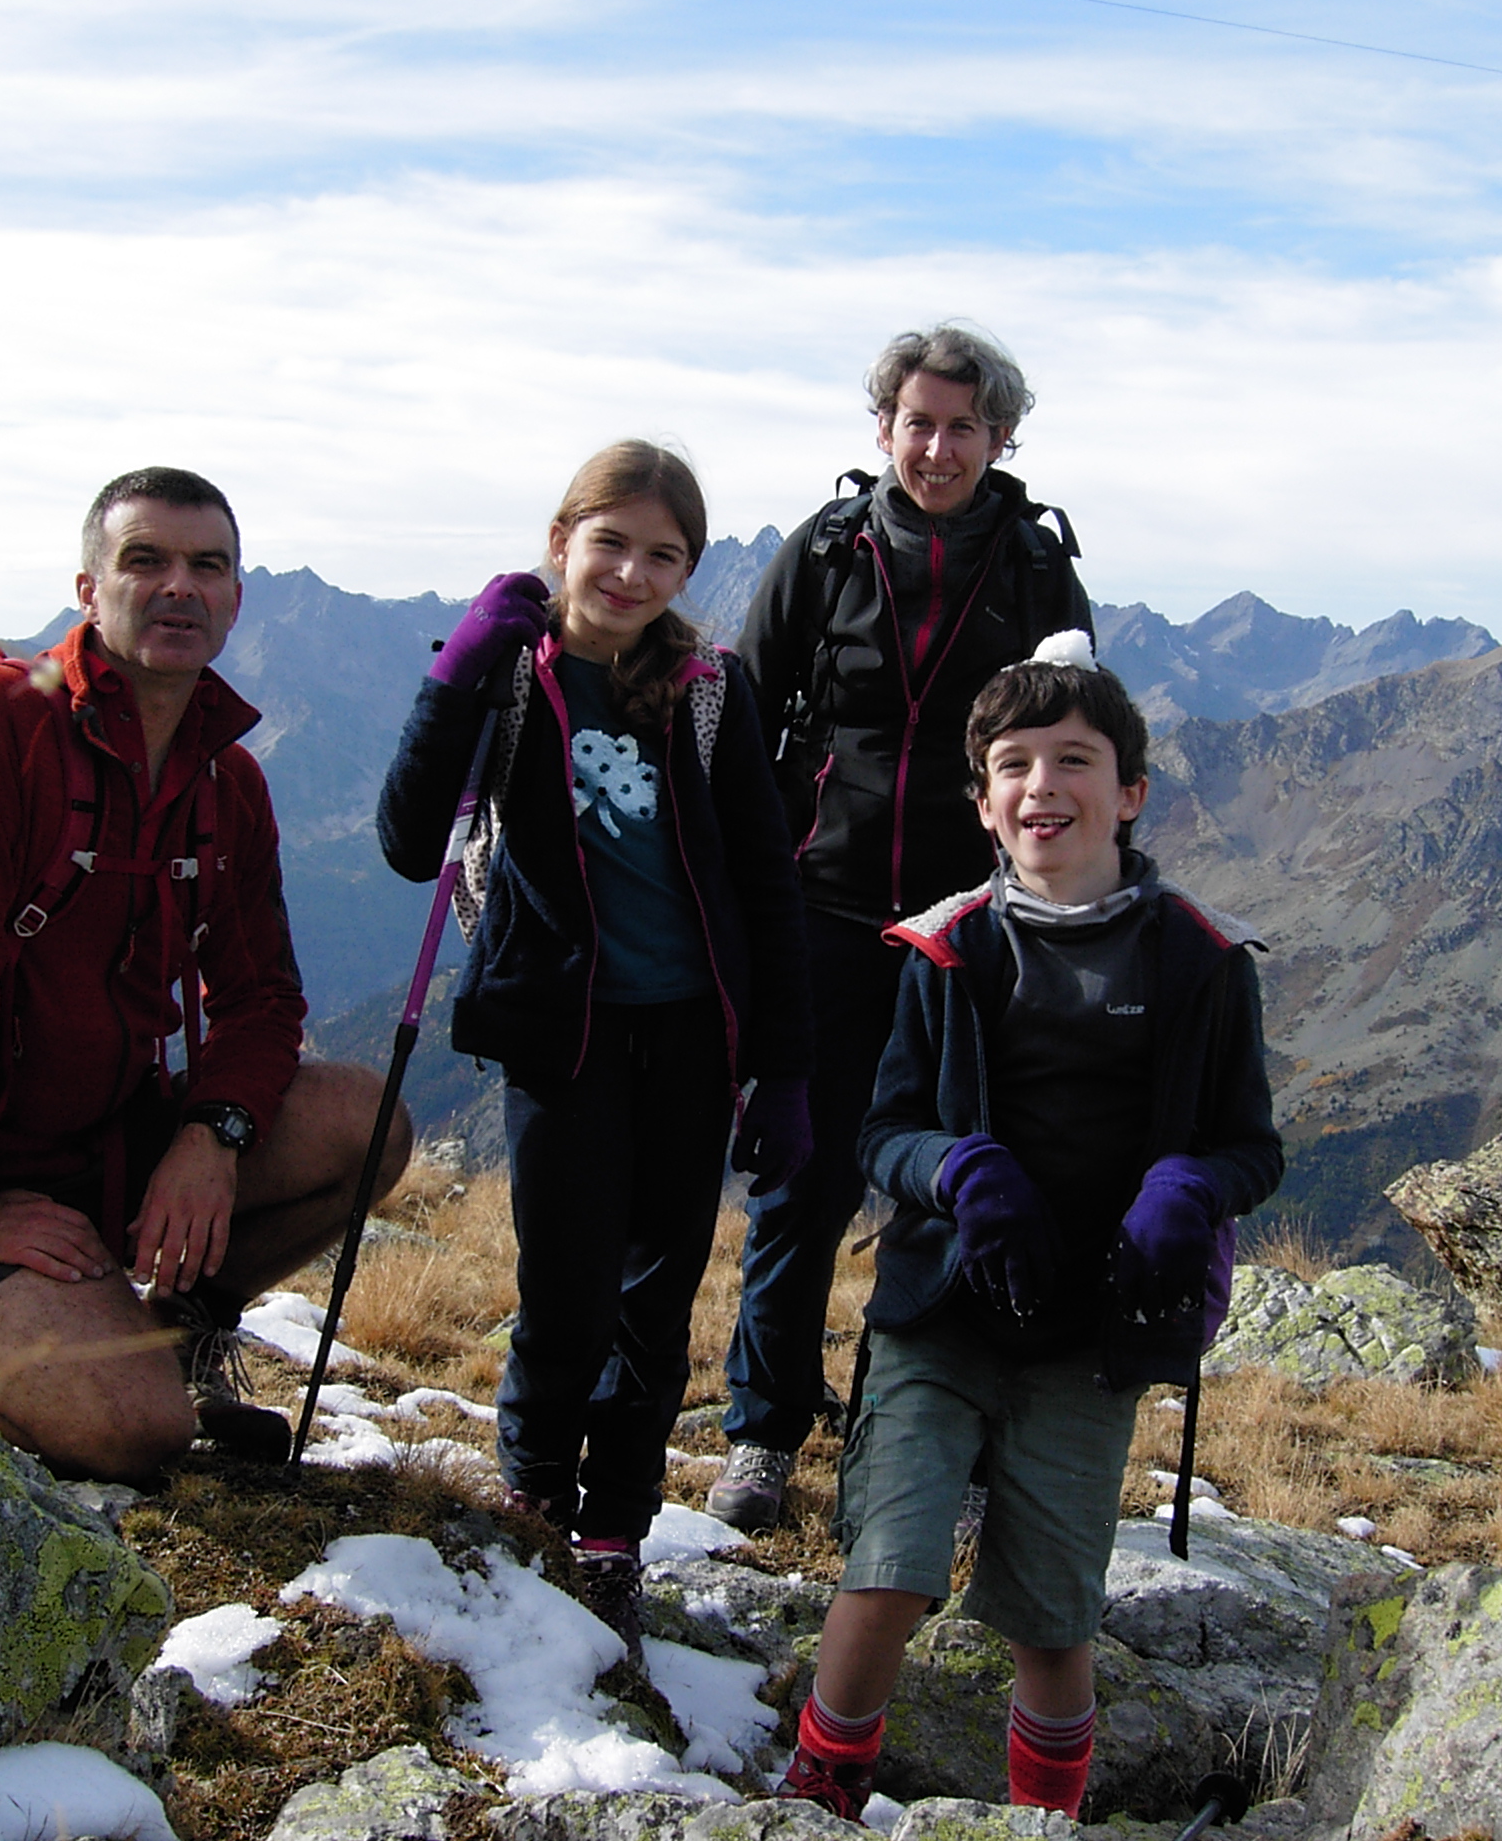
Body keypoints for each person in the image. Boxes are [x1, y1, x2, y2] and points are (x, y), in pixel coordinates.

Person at [776, 635, 1281, 1819]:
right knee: (888, 1572)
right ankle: (816, 1796)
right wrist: (958, 1170)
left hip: (1092, 1333)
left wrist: (1191, 1188)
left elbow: (1249, 1145)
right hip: (938, 1315)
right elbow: (882, 1134)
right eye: (1013, 764)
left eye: (1075, 760)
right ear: (983, 804)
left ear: (1131, 792)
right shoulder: (949, 951)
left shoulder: (1202, 962)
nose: (1042, 784)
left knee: (1055, 1616)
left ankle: (1039, 1819)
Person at [0, 466, 409, 1485]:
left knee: (368, 1118)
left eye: (207, 567)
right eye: (144, 561)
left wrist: (214, 1134)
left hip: (101, 1159)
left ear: (236, 599)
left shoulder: (226, 780)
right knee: (138, 1437)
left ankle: (162, 1333)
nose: (179, 588)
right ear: (88, 589)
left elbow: (261, 1000)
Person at [377, 441, 813, 1649]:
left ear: (687, 570)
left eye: (662, 553)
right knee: (561, 1284)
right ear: (561, 536)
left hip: (690, 1033)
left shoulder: (710, 690)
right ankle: (532, 1496)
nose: (630, 570)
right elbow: (411, 841)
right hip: (560, 1029)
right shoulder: (513, 679)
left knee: (656, 1294)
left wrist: (783, 1069)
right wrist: (458, 673)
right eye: (609, 540)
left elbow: (764, 886)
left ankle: (614, 1530)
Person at [712, 324, 1095, 1532]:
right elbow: (736, 719)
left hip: (967, 930)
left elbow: (1075, 749)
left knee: (957, 1187)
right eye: (918, 423)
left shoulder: (1037, 573)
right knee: (805, 1181)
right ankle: (763, 1434)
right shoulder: (823, 556)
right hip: (821, 911)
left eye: (964, 426)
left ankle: (922, 1446)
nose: (937, 447)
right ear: (882, 428)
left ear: (1000, 438)